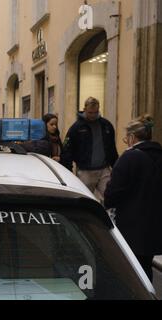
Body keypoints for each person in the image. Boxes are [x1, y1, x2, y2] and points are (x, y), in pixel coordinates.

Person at [104, 115, 162, 282]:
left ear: (132, 137)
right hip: (154, 226)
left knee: (131, 272)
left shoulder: (129, 157)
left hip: (132, 226)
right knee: (145, 268)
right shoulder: (159, 155)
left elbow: (112, 194)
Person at [61, 97, 119, 201]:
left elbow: (112, 148)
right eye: (90, 112)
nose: (92, 115)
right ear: (85, 109)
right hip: (85, 171)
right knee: (85, 200)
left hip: (104, 170)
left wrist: (116, 167)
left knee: (110, 197)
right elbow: (67, 150)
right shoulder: (77, 128)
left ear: (99, 109)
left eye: (95, 112)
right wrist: (67, 172)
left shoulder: (106, 125)